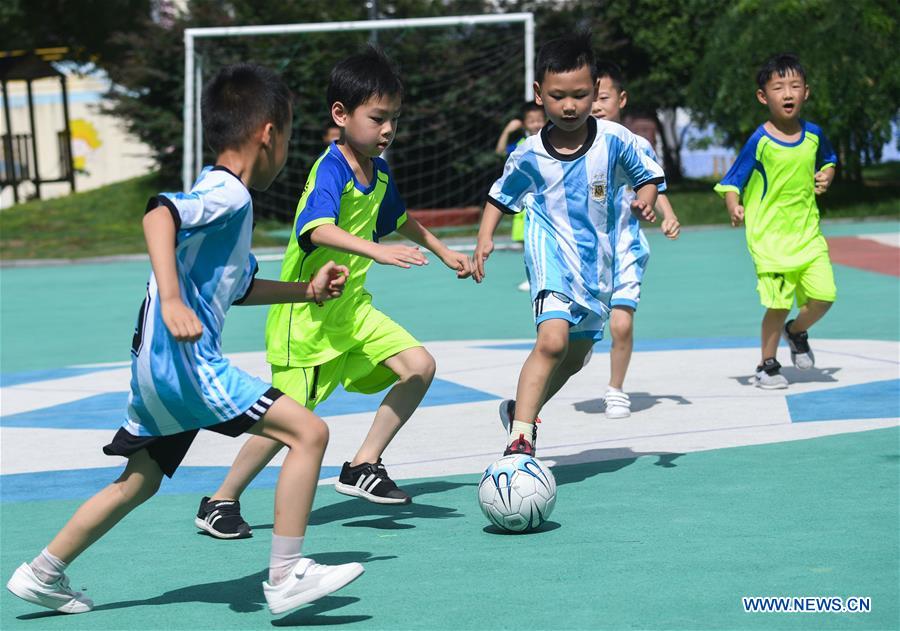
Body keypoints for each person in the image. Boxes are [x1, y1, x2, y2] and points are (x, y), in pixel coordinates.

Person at [5, 64, 364, 617]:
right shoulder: (228, 194)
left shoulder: (218, 194)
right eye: (290, 138)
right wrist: (171, 300)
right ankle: (288, 575)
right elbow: (158, 214)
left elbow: (236, 286)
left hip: (153, 371)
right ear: (268, 134)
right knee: (309, 432)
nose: (289, 151)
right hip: (187, 365)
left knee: (138, 481)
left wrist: (306, 291)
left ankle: (42, 572)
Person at [194, 47, 474, 539]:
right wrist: (375, 251)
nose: (388, 130)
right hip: (307, 317)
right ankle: (220, 499)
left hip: (353, 312)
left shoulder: (380, 172)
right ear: (341, 115)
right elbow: (316, 228)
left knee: (419, 367)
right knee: (290, 418)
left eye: (394, 119)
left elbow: (399, 219)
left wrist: (443, 249)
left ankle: (363, 464)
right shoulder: (331, 169)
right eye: (378, 118)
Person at [473, 33, 664, 456]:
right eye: (558, 96)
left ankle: (520, 409)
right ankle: (521, 437)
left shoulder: (615, 140)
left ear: (596, 91)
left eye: (580, 94)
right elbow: (498, 196)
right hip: (551, 256)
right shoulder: (529, 153)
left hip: (597, 266)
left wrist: (645, 201)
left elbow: (647, 176)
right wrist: (485, 238)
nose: (570, 105)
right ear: (540, 95)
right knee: (553, 341)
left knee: (575, 357)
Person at [714, 53, 837, 389]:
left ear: (806, 92)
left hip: (809, 235)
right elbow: (732, 180)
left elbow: (828, 160)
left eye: (794, 86)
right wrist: (733, 205)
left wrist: (827, 175)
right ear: (762, 96)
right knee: (778, 303)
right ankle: (766, 365)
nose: (787, 93)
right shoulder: (760, 140)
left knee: (825, 296)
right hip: (771, 240)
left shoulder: (814, 135)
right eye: (779, 87)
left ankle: (796, 332)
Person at [591, 60, 680, 419]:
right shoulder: (572, 144)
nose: (595, 105)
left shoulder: (635, 145)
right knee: (576, 336)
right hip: (585, 253)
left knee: (622, 322)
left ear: (621, 100)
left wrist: (667, 214)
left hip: (626, 248)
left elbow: (653, 185)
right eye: (589, 97)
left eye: (603, 97)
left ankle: (615, 389)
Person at [495, 101, 547, 291]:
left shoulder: (553, 141)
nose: (536, 124)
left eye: (540, 120)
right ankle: (535, 277)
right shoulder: (520, 145)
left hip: (546, 201)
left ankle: (540, 278)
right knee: (529, 246)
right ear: (524, 124)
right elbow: (500, 151)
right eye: (531, 121)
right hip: (526, 205)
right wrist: (508, 130)